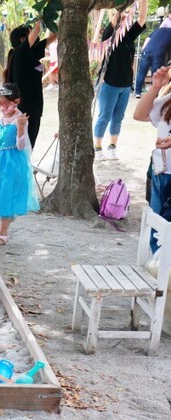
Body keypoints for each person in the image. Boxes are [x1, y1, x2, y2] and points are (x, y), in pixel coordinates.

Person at [0, 83, 39, 247]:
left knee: (6, 195)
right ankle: (7, 219)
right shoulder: (1, 118)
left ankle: (2, 235)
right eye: (0, 103)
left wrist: (21, 127)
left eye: (6, 103)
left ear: (16, 101)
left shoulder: (20, 119)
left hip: (12, 163)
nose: (3, 106)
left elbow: (21, 146)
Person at [94, 0, 147, 160]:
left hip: (125, 85)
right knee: (105, 116)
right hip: (109, 83)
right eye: (122, 19)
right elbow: (116, 16)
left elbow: (142, 18)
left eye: (126, 20)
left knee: (118, 117)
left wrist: (143, 1)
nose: (125, 21)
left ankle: (112, 147)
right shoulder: (109, 35)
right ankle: (97, 148)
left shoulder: (128, 37)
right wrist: (122, 8)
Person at [133, 63, 171, 250]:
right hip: (162, 172)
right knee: (157, 227)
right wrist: (155, 87)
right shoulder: (167, 101)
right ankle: (157, 262)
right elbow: (139, 114)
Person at [4, 20, 57, 148]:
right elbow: (37, 29)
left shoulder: (31, 53)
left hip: (33, 108)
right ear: (23, 40)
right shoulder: (20, 53)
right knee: (23, 148)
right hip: (24, 109)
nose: (36, 38)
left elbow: (53, 35)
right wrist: (42, 16)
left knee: (28, 147)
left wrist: (60, 18)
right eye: (29, 33)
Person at [135, 16, 171, 98]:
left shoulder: (157, 30)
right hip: (158, 53)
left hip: (146, 51)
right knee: (155, 74)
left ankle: (137, 92)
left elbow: (147, 39)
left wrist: (144, 50)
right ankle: (154, 94)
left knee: (141, 73)